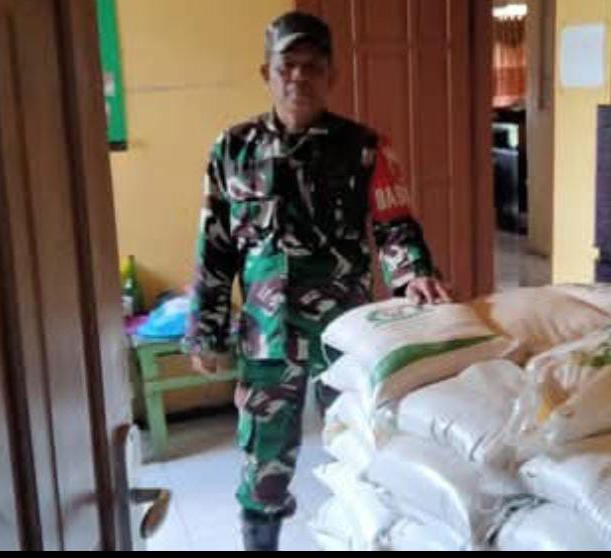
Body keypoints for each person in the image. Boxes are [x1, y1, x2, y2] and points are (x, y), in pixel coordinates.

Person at [182, 11, 451, 551]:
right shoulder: (231, 149)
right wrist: (205, 330)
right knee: (263, 460)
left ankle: (363, 538)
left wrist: (414, 274)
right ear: (267, 72)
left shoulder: (365, 147)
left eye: (312, 66)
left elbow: (394, 223)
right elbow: (215, 246)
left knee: (360, 446)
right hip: (266, 334)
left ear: (331, 75)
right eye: (287, 66)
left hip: (344, 331)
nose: (298, 77)